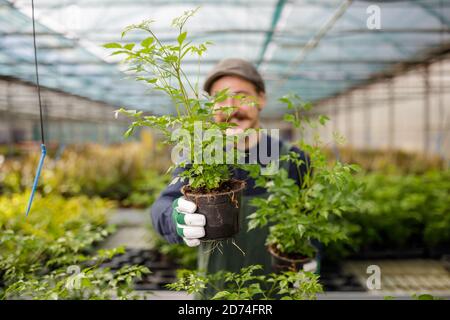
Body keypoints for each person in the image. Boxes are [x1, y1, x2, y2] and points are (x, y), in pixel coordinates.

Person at [150, 58, 317, 279]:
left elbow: (311, 223)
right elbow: (161, 206)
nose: (230, 107)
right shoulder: (199, 158)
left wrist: (311, 259)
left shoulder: (295, 159)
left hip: (279, 291)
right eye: (220, 98)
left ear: (261, 99)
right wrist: (175, 218)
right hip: (215, 291)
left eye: (241, 96)